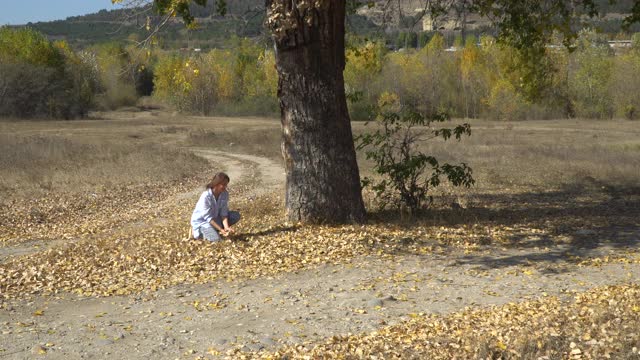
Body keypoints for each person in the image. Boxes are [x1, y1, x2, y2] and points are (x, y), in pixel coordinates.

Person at [190, 172, 241, 242]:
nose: (225, 187)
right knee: (216, 239)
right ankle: (198, 232)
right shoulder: (206, 196)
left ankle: (214, 230)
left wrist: (226, 227)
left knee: (235, 215)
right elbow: (208, 218)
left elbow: (224, 212)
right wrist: (221, 230)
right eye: (223, 185)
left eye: (226, 185)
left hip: (215, 218)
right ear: (216, 184)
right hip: (203, 222)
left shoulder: (224, 194)